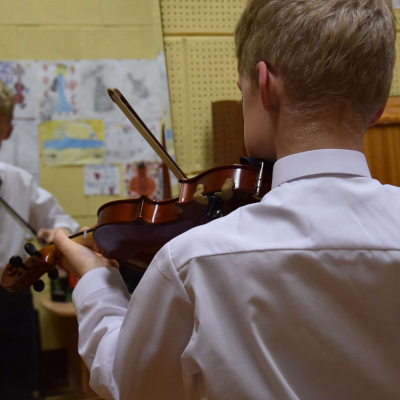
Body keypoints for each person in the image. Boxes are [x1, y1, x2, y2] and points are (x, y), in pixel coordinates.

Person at [53, 0, 400, 399]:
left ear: (265, 85)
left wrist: (96, 280)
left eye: (242, 90)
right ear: (378, 107)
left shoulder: (193, 262)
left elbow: (129, 382)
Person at [0, 80, 79, 400]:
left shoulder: (18, 182)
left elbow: (64, 223)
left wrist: (56, 236)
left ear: (7, 131)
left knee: (18, 388)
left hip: (10, 301)